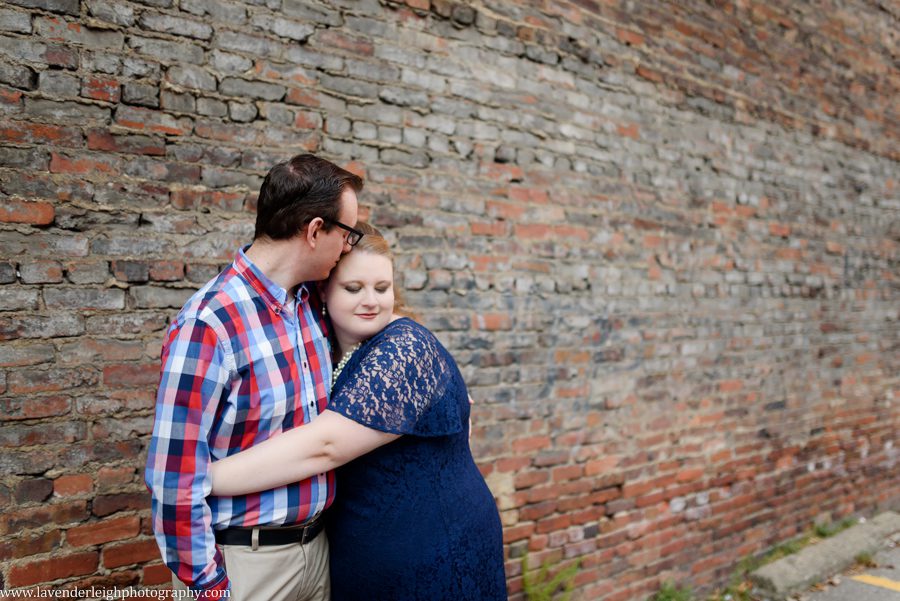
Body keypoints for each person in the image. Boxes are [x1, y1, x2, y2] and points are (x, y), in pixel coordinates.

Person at [208, 222, 508, 601]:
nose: (371, 300)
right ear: (322, 289)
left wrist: (200, 478)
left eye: (382, 288)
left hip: (433, 550)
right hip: (363, 550)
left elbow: (326, 445)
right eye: (354, 288)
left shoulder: (404, 349)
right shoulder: (321, 347)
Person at [144, 154, 364, 601]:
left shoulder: (312, 306)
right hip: (245, 564)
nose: (349, 248)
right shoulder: (209, 324)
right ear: (315, 230)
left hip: (318, 553)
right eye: (348, 233)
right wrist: (210, 587)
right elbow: (173, 475)